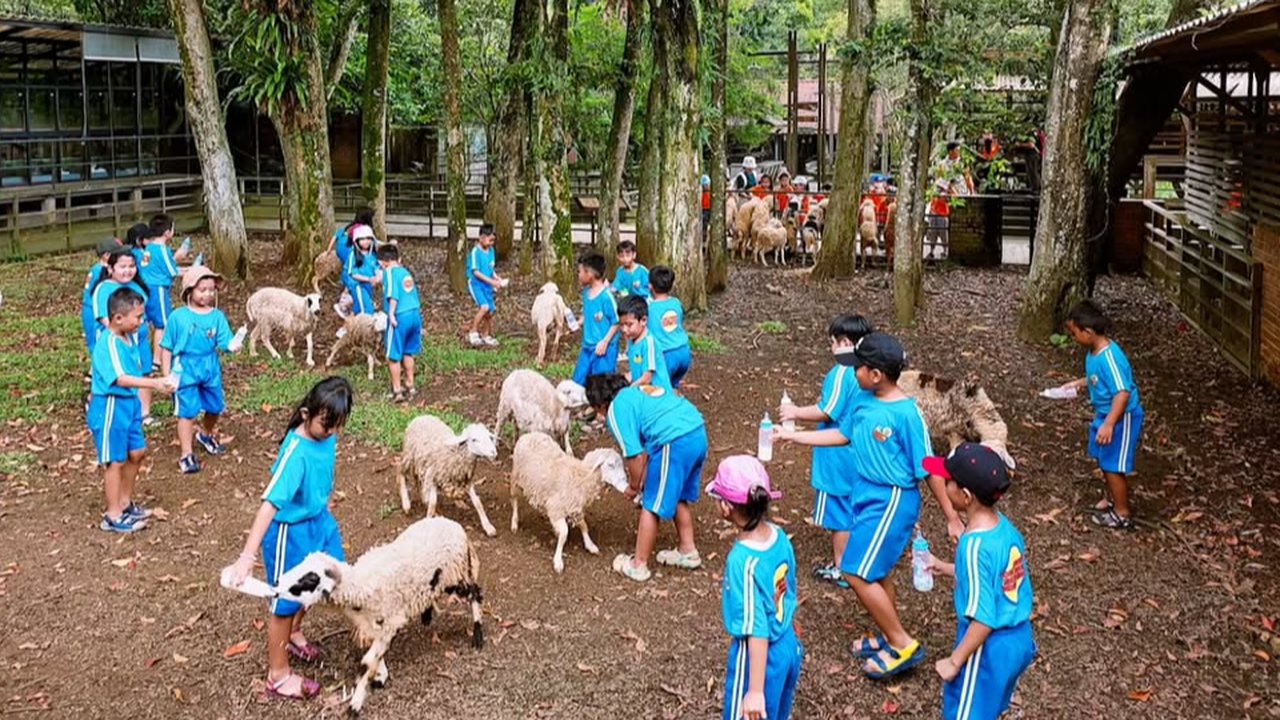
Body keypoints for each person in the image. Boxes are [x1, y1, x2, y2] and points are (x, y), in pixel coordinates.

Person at [776, 332, 946, 680]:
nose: (853, 373)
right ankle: (887, 633)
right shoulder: (864, 402)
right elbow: (843, 434)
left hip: (892, 499)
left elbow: (928, 466)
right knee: (876, 570)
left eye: (858, 368)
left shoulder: (907, 414)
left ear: (876, 374)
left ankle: (902, 644)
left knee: (854, 571)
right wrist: (794, 436)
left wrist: (951, 515)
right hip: (866, 494)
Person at [227, 376, 354, 701]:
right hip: (290, 532)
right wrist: (246, 557)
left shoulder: (326, 436)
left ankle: (295, 632)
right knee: (285, 602)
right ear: (305, 414)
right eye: (326, 424)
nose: (332, 432)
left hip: (319, 523)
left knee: (329, 578)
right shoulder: (296, 454)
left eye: (337, 425)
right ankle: (278, 674)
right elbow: (269, 505)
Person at [923, 443, 1037, 720]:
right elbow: (994, 578)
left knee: (966, 711)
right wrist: (945, 567)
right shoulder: (1003, 528)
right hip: (1018, 639)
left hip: (987, 647)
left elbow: (984, 619)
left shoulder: (973, 546)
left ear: (965, 495)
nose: (943, 485)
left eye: (947, 482)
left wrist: (954, 661)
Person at [777, 315, 874, 589]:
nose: (831, 347)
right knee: (854, 507)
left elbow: (827, 410)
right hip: (859, 454)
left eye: (833, 342)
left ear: (844, 343)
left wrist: (795, 412)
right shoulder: (868, 370)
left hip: (836, 456)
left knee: (839, 513)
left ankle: (842, 567)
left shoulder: (842, 372)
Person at [708, 455, 803, 720]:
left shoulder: (742, 560)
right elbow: (789, 586)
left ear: (726, 506)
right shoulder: (779, 536)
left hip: (760, 658)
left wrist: (754, 691)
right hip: (787, 645)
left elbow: (757, 627)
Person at [587, 373, 707, 582]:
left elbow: (634, 456)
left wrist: (634, 487)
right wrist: (641, 480)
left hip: (674, 440)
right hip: (696, 431)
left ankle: (638, 565)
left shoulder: (616, 409)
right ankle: (688, 550)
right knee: (678, 494)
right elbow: (647, 453)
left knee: (650, 503)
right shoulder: (636, 394)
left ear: (600, 405)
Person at [88, 287, 176, 533]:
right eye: (137, 317)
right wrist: (155, 384)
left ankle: (125, 502)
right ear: (118, 318)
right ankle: (112, 514)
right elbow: (120, 379)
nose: (141, 321)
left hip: (130, 404)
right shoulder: (109, 343)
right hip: (111, 405)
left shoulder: (130, 339)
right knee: (115, 460)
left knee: (136, 453)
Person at [1063, 300, 1144, 530]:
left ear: (1088, 332)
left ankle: (1122, 513)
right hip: (1106, 414)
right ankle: (1112, 500)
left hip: (1121, 417)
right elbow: (1098, 379)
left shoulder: (1110, 357)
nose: (1073, 338)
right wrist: (1079, 383)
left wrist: (1109, 424)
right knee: (1103, 457)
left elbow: (1122, 392)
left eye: (1074, 333)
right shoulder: (1094, 353)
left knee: (1112, 464)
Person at [160, 266, 241, 474]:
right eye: (202, 290)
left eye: (211, 290)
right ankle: (186, 454)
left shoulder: (217, 316)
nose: (207, 294)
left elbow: (224, 341)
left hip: (209, 365)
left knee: (215, 406)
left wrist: (233, 345)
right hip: (185, 367)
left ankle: (206, 434)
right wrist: (167, 375)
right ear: (190, 290)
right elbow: (166, 347)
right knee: (186, 411)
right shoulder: (178, 317)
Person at [92, 247, 156, 423]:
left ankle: (144, 413)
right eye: (122, 266)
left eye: (131, 266)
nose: (128, 270)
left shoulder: (136, 286)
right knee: (119, 375)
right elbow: (106, 320)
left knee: (144, 370)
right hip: (120, 342)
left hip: (140, 339)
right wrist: (126, 335)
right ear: (110, 268)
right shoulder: (103, 289)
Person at [138, 214, 193, 368]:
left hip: (145, 288)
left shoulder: (149, 248)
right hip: (158, 290)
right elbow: (172, 271)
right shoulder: (162, 250)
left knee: (150, 323)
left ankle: (150, 356)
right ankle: (157, 359)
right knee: (162, 325)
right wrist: (192, 270)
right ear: (167, 232)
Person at [378, 243, 422, 402]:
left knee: (393, 355)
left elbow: (393, 295)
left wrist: (391, 314)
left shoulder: (389, 272)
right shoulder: (405, 272)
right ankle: (411, 385)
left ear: (383, 262)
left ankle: (397, 390)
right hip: (415, 314)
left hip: (400, 315)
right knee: (408, 352)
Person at [572, 253, 620, 387]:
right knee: (577, 383)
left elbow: (616, 321)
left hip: (604, 349)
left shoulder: (606, 297)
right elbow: (587, 314)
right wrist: (578, 322)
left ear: (589, 273)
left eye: (580, 271)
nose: (578, 275)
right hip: (587, 347)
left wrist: (605, 342)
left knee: (601, 386)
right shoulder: (586, 293)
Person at [646, 266, 692, 389]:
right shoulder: (676, 302)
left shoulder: (650, 309)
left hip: (666, 354)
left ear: (650, 286)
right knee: (672, 387)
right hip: (684, 352)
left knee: (660, 390)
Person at [618, 296, 671, 390]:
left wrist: (628, 391)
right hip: (642, 390)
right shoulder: (632, 339)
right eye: (622, 325)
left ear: (643, 320)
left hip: (657, 393)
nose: (624, 329)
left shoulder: (649, 344)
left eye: (629, 325)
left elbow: (647, 378)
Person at [330, 208, 374, 318]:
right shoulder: (362, 230)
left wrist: (328, 250)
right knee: (353, 281)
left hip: (341, 248)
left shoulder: (350, 226)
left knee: (351, 277)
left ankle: (346, 303)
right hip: (348, 251)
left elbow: (335, 236)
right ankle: (343, 304)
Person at [466, 223, 505, 347]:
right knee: (484, 307)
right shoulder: (475, 252)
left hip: (487, 285)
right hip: (476, 284)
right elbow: (476, 272)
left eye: (493, 240)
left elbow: (490, 268)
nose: (491, 243)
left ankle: (486, 334)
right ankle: (473, 332)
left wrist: (496, 278)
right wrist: (492, 282)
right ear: (481, 237)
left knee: (490, 311)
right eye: (489, 240)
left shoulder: (491, 251)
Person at [82, 237, 120, 352]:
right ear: (106, 255)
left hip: (96, 308)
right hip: (93, 309)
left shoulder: (99, 268)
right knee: (97, 342)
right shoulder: (100, 270)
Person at [345, 225, 381, 316]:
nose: (366, 241)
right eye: (362, 239)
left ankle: (351, 322)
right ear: (356, 241)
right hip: (358, 285)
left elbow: (376, 268)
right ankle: (366, 323)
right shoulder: (353, 255)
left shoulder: (372, 255)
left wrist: (377, 277)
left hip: (368, 285)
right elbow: (352, 274)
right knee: (367, 309)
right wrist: (368, 279)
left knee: (358, 306)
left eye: (368, 238)